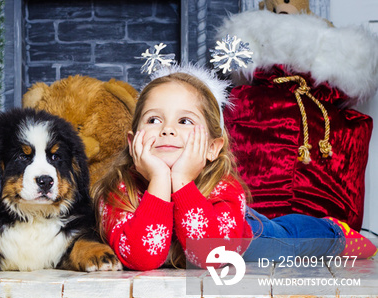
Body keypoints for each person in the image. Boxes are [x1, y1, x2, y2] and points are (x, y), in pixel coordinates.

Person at [93, 64, 376, 271]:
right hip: (199, 235)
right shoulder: (118, 191)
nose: (167, 130)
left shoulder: (224, 187)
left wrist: (180, 180)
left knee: (291, 239)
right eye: (154, 120)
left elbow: (211, 255)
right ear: (133, 142)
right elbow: (143, 259)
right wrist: (159, 180)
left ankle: (335, 232)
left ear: (212, 147)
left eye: (185, 121)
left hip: (245, 236)